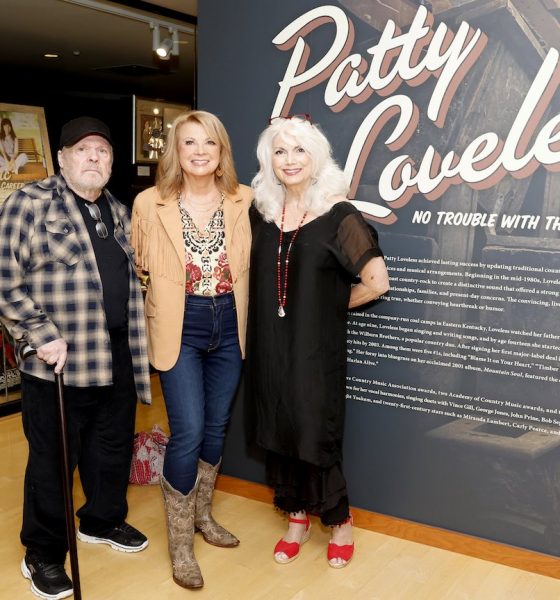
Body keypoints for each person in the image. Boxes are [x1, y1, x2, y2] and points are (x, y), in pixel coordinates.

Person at [0, 116, 152, 600]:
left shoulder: (116, 209)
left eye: (103, 151)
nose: (94, 158)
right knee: (52, 461)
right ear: (62, 157)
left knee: (111, 449)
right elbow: (5, 280)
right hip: (56, 361)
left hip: (116, 352)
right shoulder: (27, 203)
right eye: (83, 149)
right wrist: (41, 334)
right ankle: (43, 554)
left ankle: (102, 521)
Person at [246, 114, 390, 569]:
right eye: (280, 151)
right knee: (277, 428)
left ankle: (339, 521)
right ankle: (296, 519)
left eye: (299, 150)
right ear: (269, 160)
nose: (289, 161)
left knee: (314, 432)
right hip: (270, 346)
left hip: (314, 350)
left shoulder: (338, 214)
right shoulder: (261, 211)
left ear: (317, 157)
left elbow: (376, 282)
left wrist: (326, 306)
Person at [131, 110, 252, 589]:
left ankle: (202, 517)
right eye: (189, 143)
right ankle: (180, 544)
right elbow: (138, 269)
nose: (200, 151)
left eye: (209, 143)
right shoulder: (149, 203)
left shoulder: (244, 200)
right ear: (176, 153)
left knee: (217, 428)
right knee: (189, 431)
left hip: (230, 319)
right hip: (181, 323)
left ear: (221, 152)